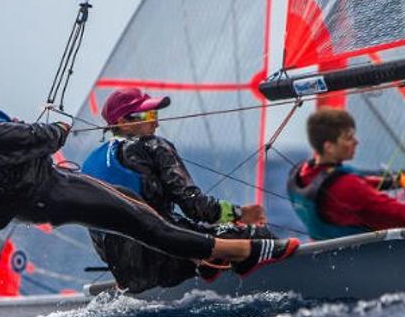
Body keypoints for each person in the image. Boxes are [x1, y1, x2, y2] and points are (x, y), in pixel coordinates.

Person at [0, 49, 299, 281]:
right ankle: (243, 253)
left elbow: (0, 150)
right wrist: (55, 129)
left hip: (35, 196)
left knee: (136, 212)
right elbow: (28, 140)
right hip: (46, 193)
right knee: (145, 224)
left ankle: (206, 261)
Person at [81, 88, 274, 292]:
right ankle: (212, 267)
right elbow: (195, 207)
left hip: (129, 276)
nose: (156, 123)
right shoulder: (153, 146)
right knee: (259, 234)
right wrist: (240, 213)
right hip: (170, 262)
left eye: (155, 114)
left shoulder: (89, 164)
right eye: (148, 115)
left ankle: (208, 267)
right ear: (122, 121)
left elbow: (99, 234)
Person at [287, 108, 405, 240]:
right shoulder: (348, 186)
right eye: (348, 138)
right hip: (361, 257)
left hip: (323, 252)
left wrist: (399, 180)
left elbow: (353, 183)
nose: (356, 142)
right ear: (329, 147)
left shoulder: (299, 173)